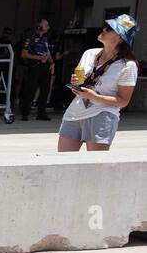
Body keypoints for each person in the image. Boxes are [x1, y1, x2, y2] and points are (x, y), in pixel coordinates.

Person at [58, 14, 139, 152]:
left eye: (109, 28)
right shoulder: (89, 53)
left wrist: (93, 96)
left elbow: (123, 101)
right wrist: (77, 84)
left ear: (119, 37)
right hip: (74, 114)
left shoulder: (128, 65)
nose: (103, 29)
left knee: (94, 167)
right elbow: (82, 82)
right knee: (63, 164)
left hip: (102, 116)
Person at [18, 18, 53, 120]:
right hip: (34, 66)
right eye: (46, 25)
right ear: (39, 26)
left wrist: (52, 63)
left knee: (45, 90)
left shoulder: (46, 38)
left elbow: (48, 52)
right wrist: (39, 58)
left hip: (45, 67)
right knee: (30, 90)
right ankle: (25, 113)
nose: (48, 27)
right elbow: (24, 54)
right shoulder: (31, 38)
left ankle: (41, 113)